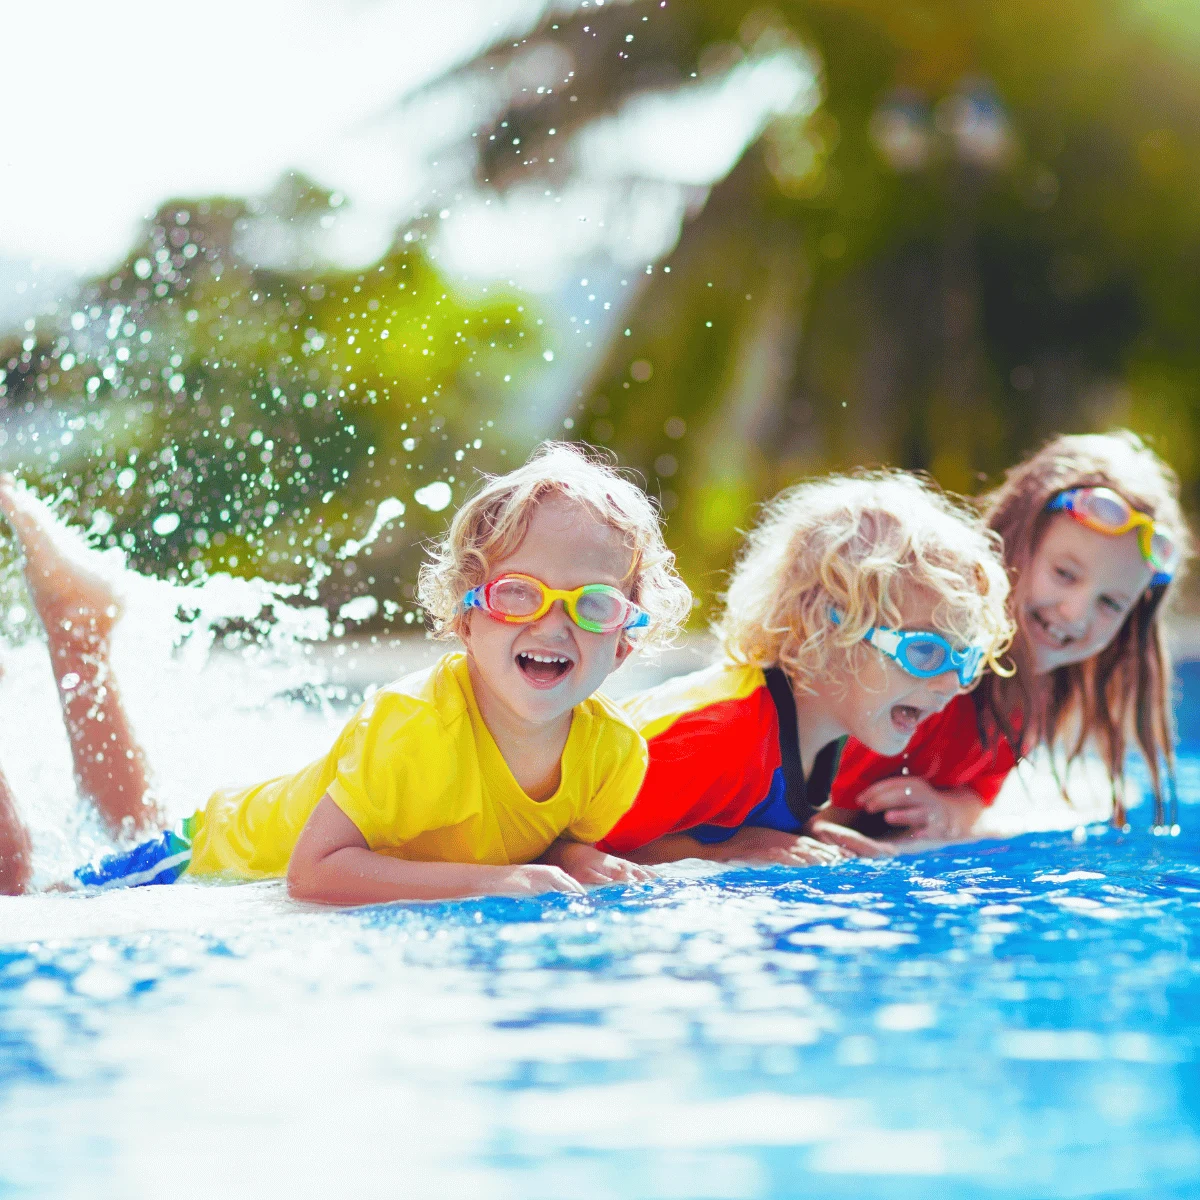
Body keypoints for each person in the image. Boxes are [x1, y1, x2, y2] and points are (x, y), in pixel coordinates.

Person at [0, 443, 692, 901]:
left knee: (123, 817)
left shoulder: (614, 754)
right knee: (29, 897)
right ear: (465, 617)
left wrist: (571, 858)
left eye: (593, 604)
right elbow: (313, 872)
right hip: (214, 850)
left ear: (626, 640)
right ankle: (78, 634)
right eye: (519, 592)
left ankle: (81, 633)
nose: (552, 622)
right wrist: (492, 881)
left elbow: (553, 834)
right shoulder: (416, 727)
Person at [594, 470, 1015, 866]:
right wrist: (732, 850)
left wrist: (815, 833)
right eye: (925, 652)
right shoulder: (719, 737)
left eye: (966, 660)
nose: (954, 684)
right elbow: (574, 849)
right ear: (825, 630)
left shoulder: (822, 732)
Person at [828, 431, 1191, 842]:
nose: (1076, 613)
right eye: (1064, 574)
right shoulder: (928, 655)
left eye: (1110, 604)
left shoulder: (1035, 692)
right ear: (1012, 540)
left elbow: (978, 795)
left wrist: (950, 810)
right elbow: (807, 782)